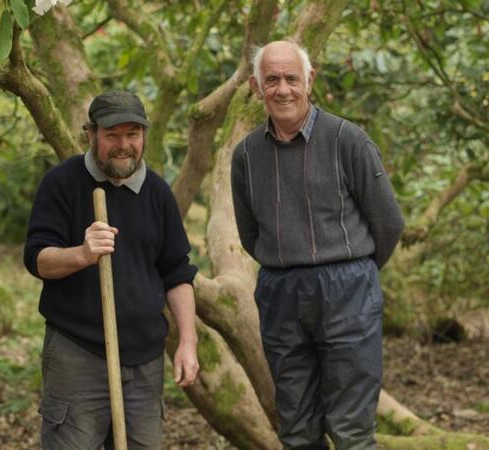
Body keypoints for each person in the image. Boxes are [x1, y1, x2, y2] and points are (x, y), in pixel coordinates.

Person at [231, 40, 405, 449]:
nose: (282, 89)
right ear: (257, 87)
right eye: (271, 80)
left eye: (291, 78)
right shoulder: (246, 155)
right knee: (296, 427)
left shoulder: (348, 140)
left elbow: (389, 223)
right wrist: (290, 264)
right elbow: (249, 233)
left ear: (309, 80)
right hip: (281, 291)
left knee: (351, 428)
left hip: (347, 289)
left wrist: (353, 273)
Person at [24, 91, 200, 449]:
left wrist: (187, 341)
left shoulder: (157, 193)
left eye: (132, 135)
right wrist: (82, 253)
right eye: (112, 136)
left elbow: (177, 274)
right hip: (79, 355)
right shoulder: (61, 183)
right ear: (90, 135)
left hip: (144, 360)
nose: (124, 145)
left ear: (144, 137)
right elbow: (38, 260)